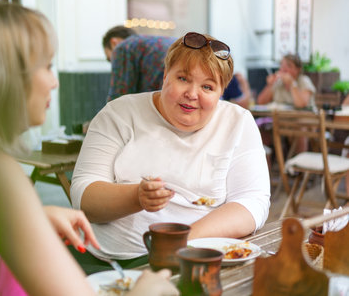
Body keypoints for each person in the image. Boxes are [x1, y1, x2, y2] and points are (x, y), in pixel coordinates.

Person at [0, 2, 178, 295]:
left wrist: (32, 217)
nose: (54, 82)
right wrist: (148, 290)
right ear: (5, 76)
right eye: (46, 66)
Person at [71, 32, 270, 266]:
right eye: (183, 79)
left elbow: (252, 201)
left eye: (207, 86)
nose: (192, 94)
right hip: (111, 261)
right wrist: (137, 197)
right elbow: (83, 196)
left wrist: (179, 243)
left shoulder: (238, 122)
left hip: (196, 258)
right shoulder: (119, 113)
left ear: (221, 92)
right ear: (165, 76)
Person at [102, 25, 177, 101]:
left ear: (114, 43)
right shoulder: (150, 43)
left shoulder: (123, 48)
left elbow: (118, 97)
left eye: (110, 59)